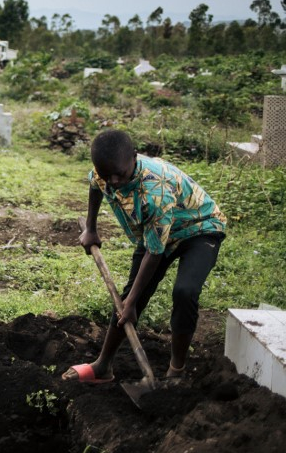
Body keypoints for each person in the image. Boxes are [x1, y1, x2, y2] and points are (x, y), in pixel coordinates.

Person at [63, 130, 226, 384]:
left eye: (120, 174)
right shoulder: (105, 172)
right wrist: (91, 228)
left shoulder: (155, 191)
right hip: (155, 232)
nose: (114, 181)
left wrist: (132, 303)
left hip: (199, 229)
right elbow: (95, 185)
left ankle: (176, 371)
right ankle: (103, 366)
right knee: (129, 297)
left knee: (184, 292)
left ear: (134, 158)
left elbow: (154, 252)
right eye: (108, 175)